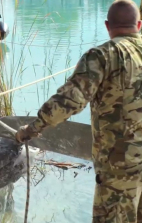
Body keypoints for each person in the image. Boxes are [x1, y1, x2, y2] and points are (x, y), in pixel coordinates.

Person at [15, 0, 142, 222]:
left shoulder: (101, 56)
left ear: (107, 25)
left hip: (120, 168)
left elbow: (68, 102)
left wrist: (32, 129)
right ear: (139, 25)